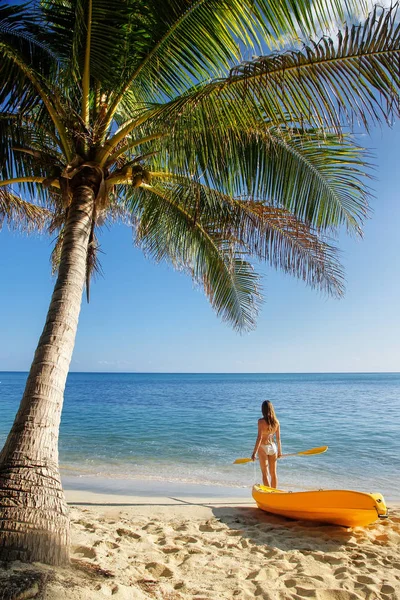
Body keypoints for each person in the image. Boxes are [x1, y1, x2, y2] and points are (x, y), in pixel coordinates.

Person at [251, 400, 282, 488]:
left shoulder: (261, 421)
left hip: (263, 447)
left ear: (263, 410)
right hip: (273, 447)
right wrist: (280, 452)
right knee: (273, 473)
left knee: (265, 474)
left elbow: (259, 438)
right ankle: (274, 493)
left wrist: (254, 453)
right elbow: (279, 439)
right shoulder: (276, 422)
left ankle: (269, 493)